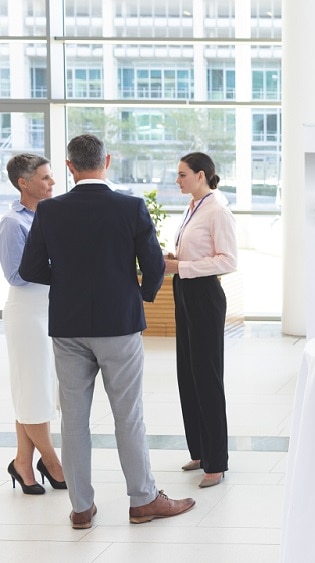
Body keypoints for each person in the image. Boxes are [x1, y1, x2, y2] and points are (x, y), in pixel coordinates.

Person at [19, 134, 194, 529]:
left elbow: (30, 269)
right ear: (107, 161)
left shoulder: (50, 211)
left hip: (68, 325)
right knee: (128, 416)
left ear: (69, 166)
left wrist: (66, 283)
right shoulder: (130, 207)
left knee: (74, 420)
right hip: (119, 324)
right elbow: (153, 266)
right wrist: (138, 294)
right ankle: (143, 500)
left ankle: (81, 507)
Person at [163, 152, 238, 489]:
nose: (177, 180)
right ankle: (200, 450)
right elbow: (195, 253)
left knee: (206, 376)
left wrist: (184, 267)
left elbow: (227, 261)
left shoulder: (217, 210)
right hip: (184, 291)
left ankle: (216, 461)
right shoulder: (192, 207)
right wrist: (176, 260)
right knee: (187, 372)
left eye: (182, 174)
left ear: (201, 175)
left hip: (204, 295)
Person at [2, 154, 65, 495]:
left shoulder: (49, 216)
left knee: (35, 390)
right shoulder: (14, 222)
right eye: (45, 178)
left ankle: (22, 463)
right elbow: (15, 274)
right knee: (35, 390)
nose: (52, 183)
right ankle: (52, 462)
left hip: (49, 308)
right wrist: (61, 267)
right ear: (24, 183)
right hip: (28, 313)